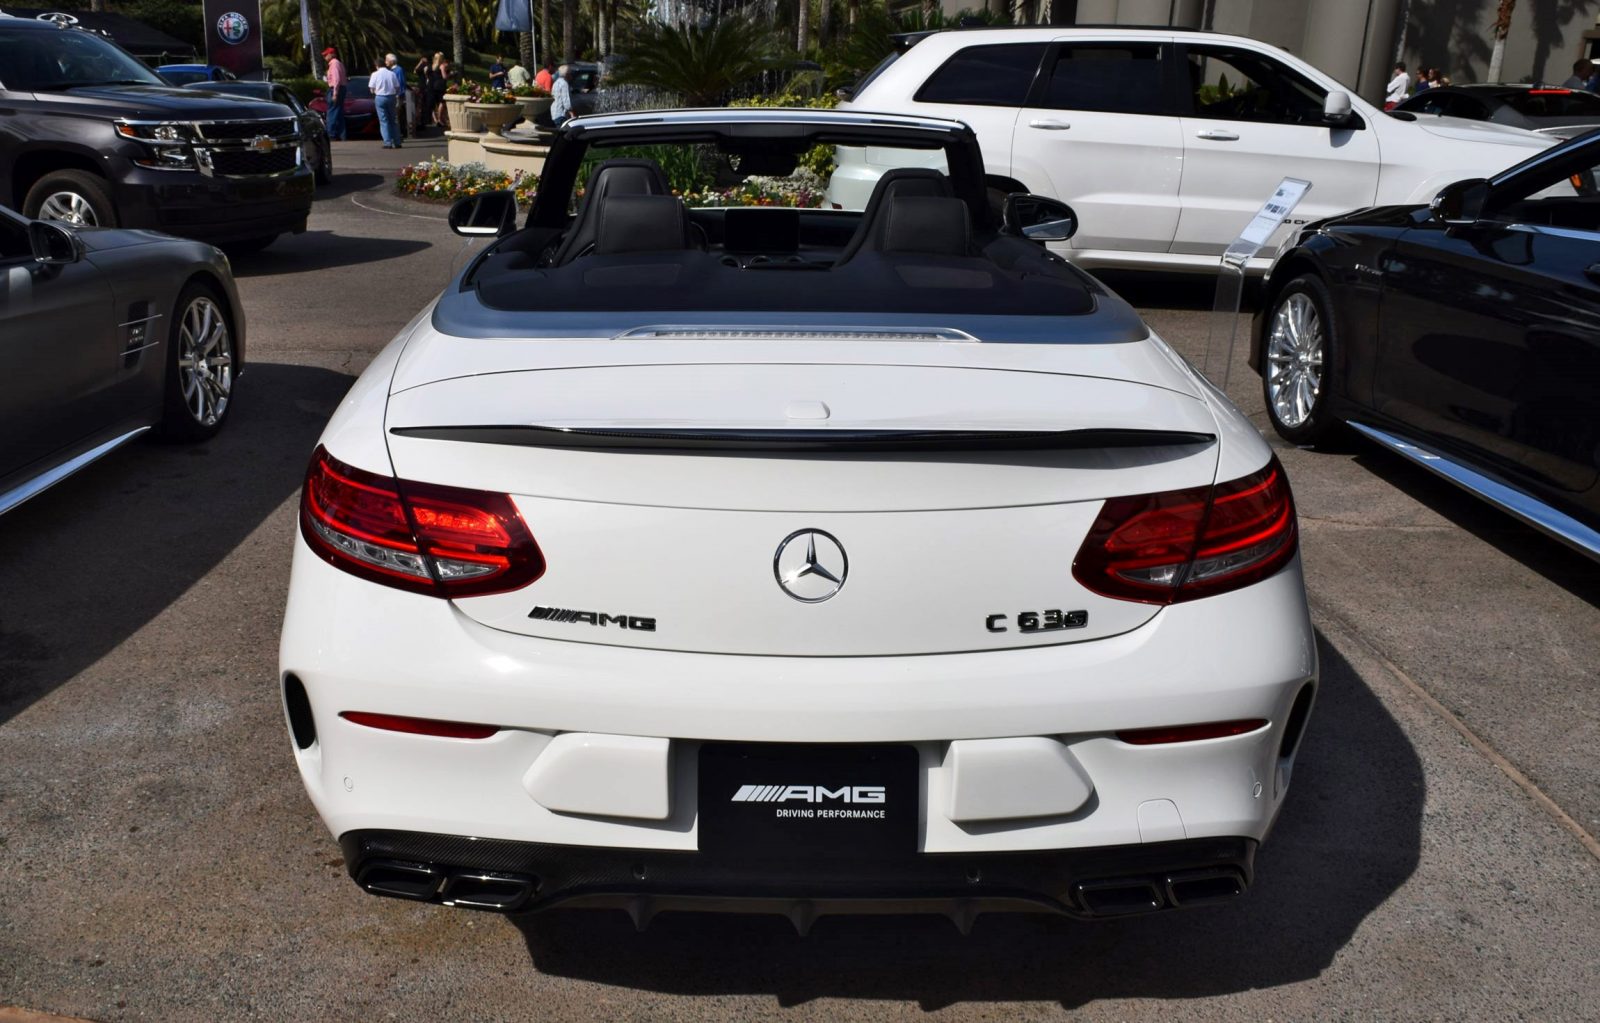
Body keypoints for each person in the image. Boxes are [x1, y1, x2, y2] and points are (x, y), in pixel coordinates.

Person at [370, 54, 400, 148]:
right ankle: (397, 141)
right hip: (391, 97)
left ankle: (388, 142)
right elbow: (397, 87)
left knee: (384, 120)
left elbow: (371, 88)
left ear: (377, 65)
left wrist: (375, 91)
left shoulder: (375, 74)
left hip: (380, 97)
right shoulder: (392, 73)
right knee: (393, 120)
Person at [322, 46, 347, 140]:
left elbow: (336, 79)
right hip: (341, 88)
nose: (324, 57)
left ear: (331, 54)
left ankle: (330, 135)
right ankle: (342, 135)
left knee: (331, 112)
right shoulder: (338, 63)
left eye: (326, 55)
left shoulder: (334, 64)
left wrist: (335, 93)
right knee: (339, 112)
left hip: (335, 89)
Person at [385, 53, 407, 140]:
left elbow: (401, 83)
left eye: (386, 60)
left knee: (396, 116)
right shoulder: (391, 71)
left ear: (391, 61)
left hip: (397, 96)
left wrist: (399, 95)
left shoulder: (398, 70)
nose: (385, 62)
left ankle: (398, 135)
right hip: (393, 96)